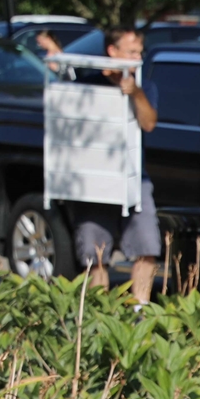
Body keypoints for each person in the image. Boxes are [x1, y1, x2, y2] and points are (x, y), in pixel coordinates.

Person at [65, 26, 159, 305]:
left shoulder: (145, 86)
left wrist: (134, 93)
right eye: (131, 52)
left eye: (140, 52)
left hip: (134, 179)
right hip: (93, 182)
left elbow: (149, 123)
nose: (138, 57)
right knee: (94, 256)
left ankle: (138, 313)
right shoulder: (85, 85)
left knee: (147, 247)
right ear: (112, 52)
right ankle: (99, 318)